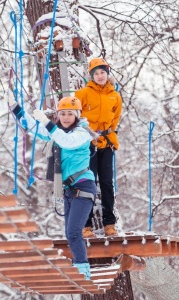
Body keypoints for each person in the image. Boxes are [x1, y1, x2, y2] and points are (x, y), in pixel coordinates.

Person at [7, 95, 97, 280]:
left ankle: (83, 271)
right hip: (70, 190)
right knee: (70, 233)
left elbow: (66, 141)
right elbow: (33, 127)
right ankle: (80, 268)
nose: (65, 117)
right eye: (62, 114)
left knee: (73, 231)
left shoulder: (82, 133)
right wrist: (15, 107)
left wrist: (48, 124)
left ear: (77, 116)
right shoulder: (58, 132)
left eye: (69, 114)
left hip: (83, 186)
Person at [75, 57, 122, 237]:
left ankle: (109, 224)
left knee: (107, 183)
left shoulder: (115, 95)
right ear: (91, 76)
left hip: (106, 143)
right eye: (96, 73)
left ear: (107, 73)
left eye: (103, 72)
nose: (100, 76)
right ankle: (85, 225)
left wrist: (109, 134)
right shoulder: (83, 94)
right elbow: (73, 114)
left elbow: (116, 117)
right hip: (88, 144)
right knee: (88, 183)